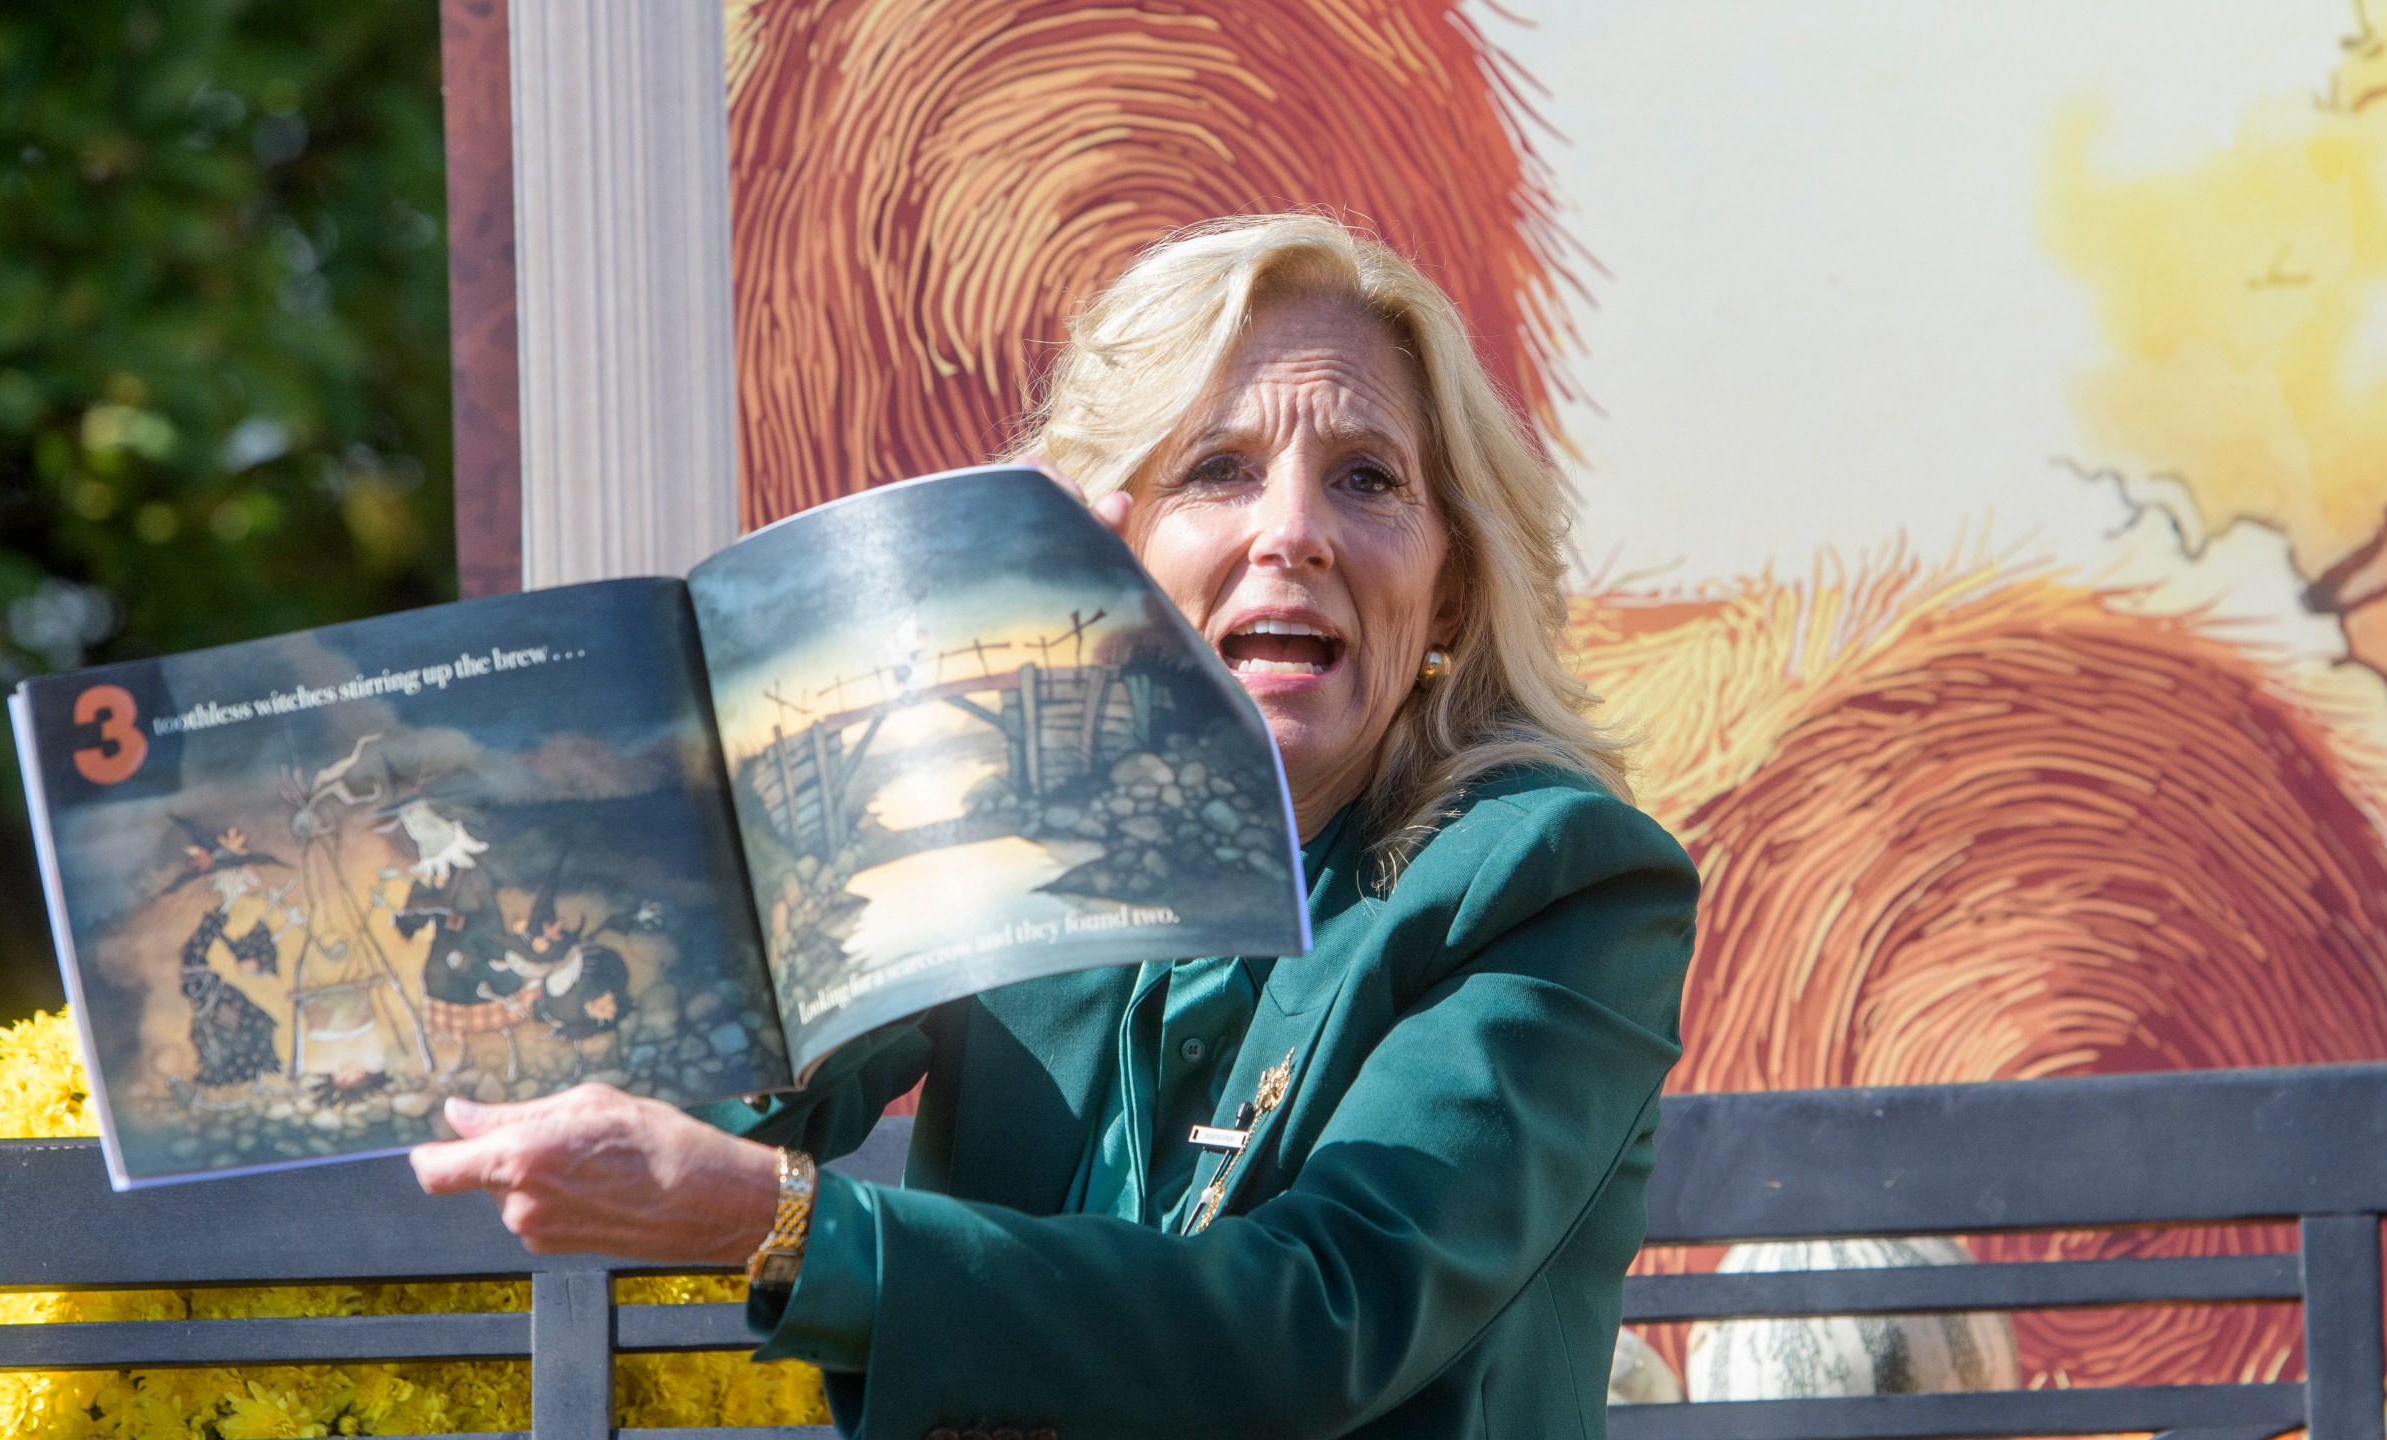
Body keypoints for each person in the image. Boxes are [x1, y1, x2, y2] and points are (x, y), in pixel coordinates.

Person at [410, 212, 1698, 1440]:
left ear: (1454, 588)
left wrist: (787, 1222)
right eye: (1218, 469)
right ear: (1111, 555)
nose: (1293, 531)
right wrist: (920, 742)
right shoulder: (1018, 822)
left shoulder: (1555, 877)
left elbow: (1320, 1321)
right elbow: (736, 1097)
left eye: (1366, 478)